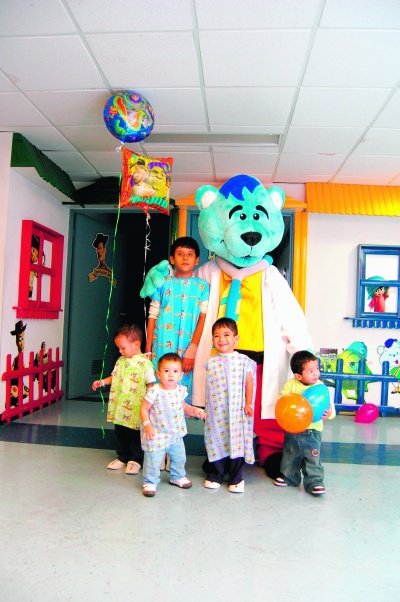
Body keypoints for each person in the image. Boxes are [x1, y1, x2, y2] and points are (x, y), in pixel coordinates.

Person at [144, 236, 210, 404]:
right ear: (172, 259)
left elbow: (203, 318)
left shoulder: (202, 287)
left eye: (190, 254)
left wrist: (192, 351)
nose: (185, 258)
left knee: (182, 393)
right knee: (158, 390)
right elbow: (152, 315)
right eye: (180, 254)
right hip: (161, 347)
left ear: (197, 260)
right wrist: (148, 350)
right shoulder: (163, 284)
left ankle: (179, 421)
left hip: (187, 349)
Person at [92, 324, 155, 475]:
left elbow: (150, 384)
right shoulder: (120, 361)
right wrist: (102, 382)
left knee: (134, 433)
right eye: (119, 348)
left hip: (136, 408)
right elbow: (114, 377)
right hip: (120, 406)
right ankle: (122, 456)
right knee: (120, 431)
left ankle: (136, 459)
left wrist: (150, 403)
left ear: (136, 344)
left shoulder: (145, 363)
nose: (120, 351)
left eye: (123, 348)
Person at [140, 353, 206, 497]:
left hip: (175, 433)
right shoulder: (154, 391)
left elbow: (184, 406)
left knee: (179, 457)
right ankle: (150, 481)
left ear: (181, 375)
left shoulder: (180, 390)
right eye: (166, 371)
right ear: (159, 374)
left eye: (175, 371)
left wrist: (195, 410)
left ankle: (177, 476)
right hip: (156, 434)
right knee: (153, 460)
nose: (171, 375)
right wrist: (147, 424)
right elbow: (144, 409)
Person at [203, 318, 256, 493]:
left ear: (236, 339)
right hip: (216, 413)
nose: (221, 339)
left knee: (236, 441)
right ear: (212, 340)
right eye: (217, 336)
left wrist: (248, 403)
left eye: (226, 335)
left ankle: (236, 478)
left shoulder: (243, 361)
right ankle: (215, 475)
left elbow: (249, 383)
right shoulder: (211, 362)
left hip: (237, 412)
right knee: (216, 440)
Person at [273, 350, 336, 496]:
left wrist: (329, 414)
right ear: (298, 376)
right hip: (293, 429)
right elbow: (282, 401)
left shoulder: (320, 387)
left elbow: (330, 406)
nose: (316, 373)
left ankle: (314, 481)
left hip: (312, 431)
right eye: (311, 371)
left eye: (317, 369)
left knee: (312, 457)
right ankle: (290, 477)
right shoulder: (291, 385)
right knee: (290, 454)